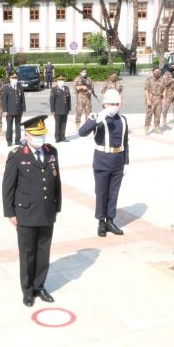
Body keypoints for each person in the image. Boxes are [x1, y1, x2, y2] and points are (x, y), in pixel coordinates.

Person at [2, 115, 61, 307]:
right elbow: (8, 187)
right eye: (37, 135)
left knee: (43, 251)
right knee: (27, 253)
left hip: (46, 211)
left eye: (42, 135)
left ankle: (39, 286)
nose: (40, 139)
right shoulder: (17, 155)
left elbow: (56, 181)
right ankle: (27, 290)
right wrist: (10, 213)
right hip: (25, 213)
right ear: (27, 135)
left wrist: (57, 206)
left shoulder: (51, 152)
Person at [78, 89, 127, 238]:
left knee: (113, 193)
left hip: (118, 160)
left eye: (116, 104)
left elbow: (125, 142)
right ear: (104, 104)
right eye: (111, 104)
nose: (114, 106)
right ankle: (101, 221)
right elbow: (82, 132)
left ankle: (110, 220)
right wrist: (96, 120)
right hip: (102, 160)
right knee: (101, 193)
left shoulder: (122, 119)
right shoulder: (97, 117)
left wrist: (126, 162)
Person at [2, 73, 26, 146]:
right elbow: (4, 100)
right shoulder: (6, 88)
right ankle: (9, 141)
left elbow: (22, 99)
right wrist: (5, 110)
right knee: (9, 127)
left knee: (18, 126)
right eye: (13, 78)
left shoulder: (20, 87)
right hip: (9, 111)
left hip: (18, 110)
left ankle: (17, 140)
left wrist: (24, 108)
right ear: (10, 79)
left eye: (15, 78)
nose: (14, 80)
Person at [49, 76, 71, 143]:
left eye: (63, 81)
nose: (62, 82)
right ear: (57, 82)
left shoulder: (66, 88)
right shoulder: (54, 89)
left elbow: (69, 99)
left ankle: (63, 137)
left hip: (65, 109)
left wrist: (69, 108)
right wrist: (52, 110)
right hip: (57, 110)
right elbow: (52, 101)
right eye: (60, 81)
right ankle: (57, 138)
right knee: (58, 124)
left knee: (64, 123)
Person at [144, 69, 165, 135]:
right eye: (156, 71)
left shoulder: (162, 79)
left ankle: (157, 127)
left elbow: (164, 89)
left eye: (158, 71)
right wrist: (148, 100)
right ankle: (147, 128)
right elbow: (146, 90)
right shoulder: (149, 79)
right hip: (151, 99)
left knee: (158, 114)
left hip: (159, 99)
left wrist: (164, 98)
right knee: (149, 114)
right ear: (153, 72)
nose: (157, 72)